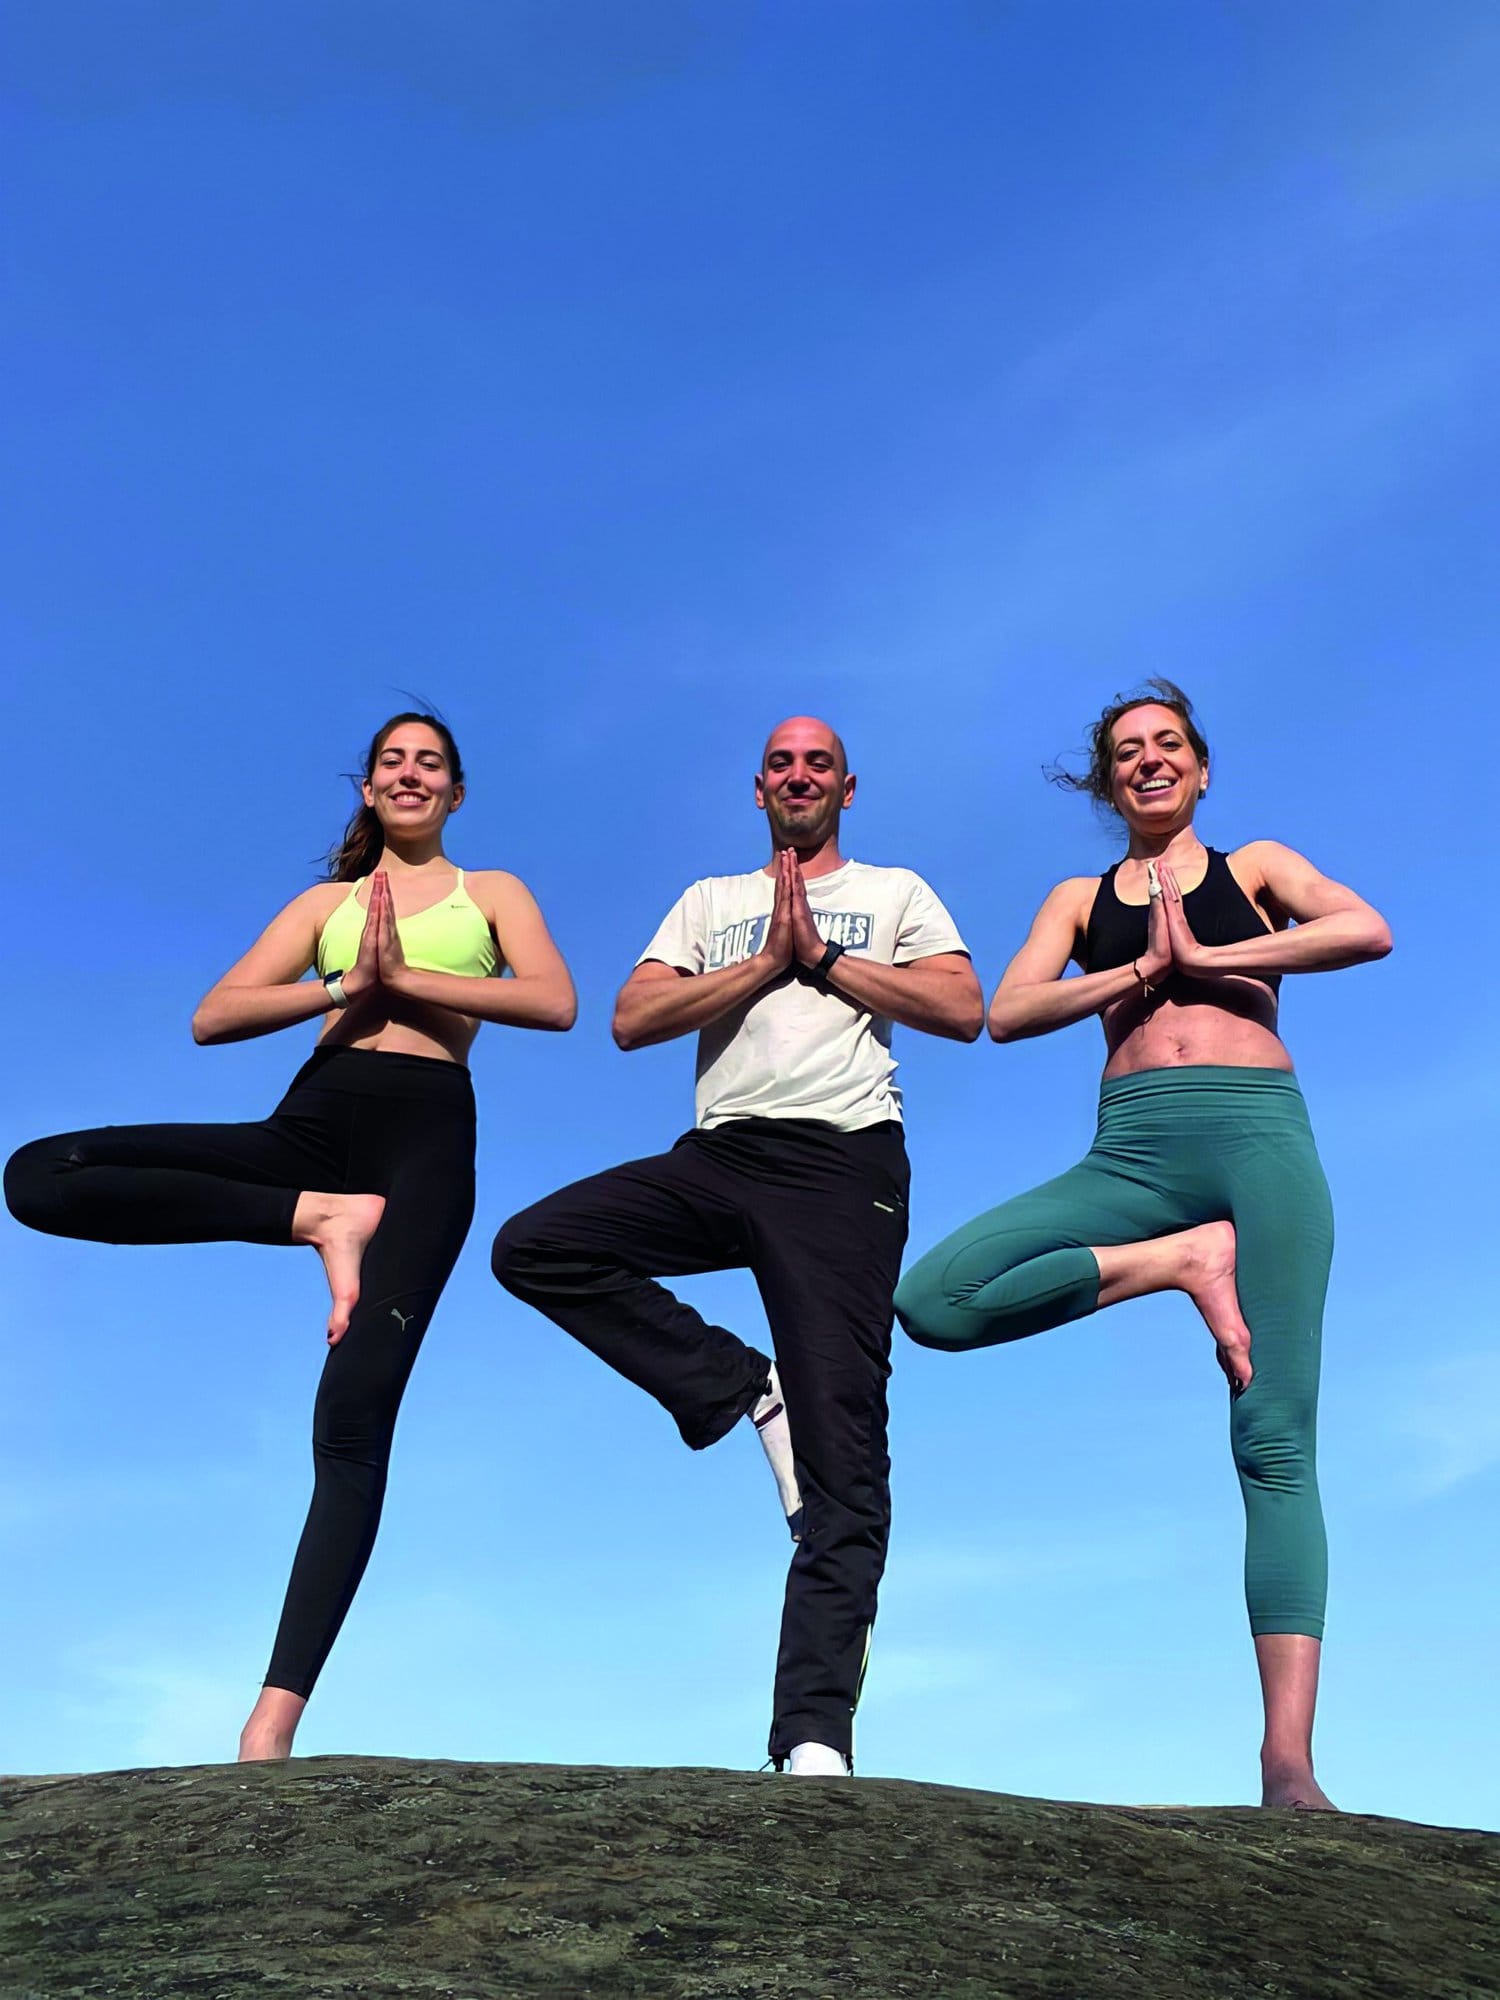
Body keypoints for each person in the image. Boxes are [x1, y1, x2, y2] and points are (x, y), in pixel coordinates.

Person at [5, 712, 576, 1761]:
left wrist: (403, 981)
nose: (411, 774)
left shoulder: (491, 891)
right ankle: (314, 1217)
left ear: (456, 792)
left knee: (352, 1412)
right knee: (39, 1174)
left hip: (425, 1144)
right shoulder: (328, 904)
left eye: (431, 764)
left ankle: (271, 1721)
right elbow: (213, 1015)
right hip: (310, 1126)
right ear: (367, 788)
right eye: (393, 762)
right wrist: (340, 984)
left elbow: (553, 998)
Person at [893, 681, 1391, 1809]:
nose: (1149, 761)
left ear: (1201, 768)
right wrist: (1138, 971)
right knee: (938, 1299)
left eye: (1169, 745)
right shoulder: (1081, 895)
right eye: (1127, 751)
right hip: (1130, 1154)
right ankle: (1179, 1261)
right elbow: (1008, 1010)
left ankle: (1288, 1761)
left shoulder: (1255, 867)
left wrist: (1214, 961)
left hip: (1259, 1139)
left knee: (1273, 1431)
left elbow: (1367, 926)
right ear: (1106, 780)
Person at [493, 716, 982, 1776]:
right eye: (780, 762)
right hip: (722, 1155)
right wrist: (766, 961)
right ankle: (743, 1387)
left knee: (845, 1454)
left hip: (847, 1167)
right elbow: (631, 1017)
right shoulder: (710, 902)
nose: (797, 774)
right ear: (757, 787)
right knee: (537, 1244)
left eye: (817, 762)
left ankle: (814, 1734)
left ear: (848, 786)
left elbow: (961, 1005)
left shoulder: (896, 892)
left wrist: (827, 958)